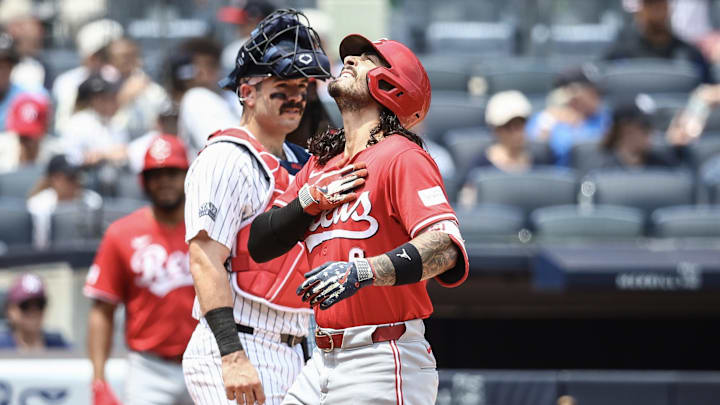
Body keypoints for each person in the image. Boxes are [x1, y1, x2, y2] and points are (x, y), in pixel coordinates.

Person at [248, 34, 469, 404]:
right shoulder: (321, 165)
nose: (349, 60)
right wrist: (305, 203)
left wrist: (364, 271)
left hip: (382, 357)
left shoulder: (402, 156)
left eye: (368, 58)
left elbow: (445, 249)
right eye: (351, 56)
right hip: (320, 360)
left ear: (395, 86)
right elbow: (259, 243)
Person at [182, 10, 331, 405]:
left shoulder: (302, 162)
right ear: (247, 92)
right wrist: (232, 356)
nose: (296, 96)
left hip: (299, 348)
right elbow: (204, 259)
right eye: (282, 85)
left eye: (302, 86)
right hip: (240, 343)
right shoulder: (226, 158)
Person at [84, 135, 194, 405]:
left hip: (205, 360)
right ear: (143, 180)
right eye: (156, 174)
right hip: (148, 367)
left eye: (172, 172)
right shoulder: (121, 234)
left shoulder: (211, 229)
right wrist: (98, 379)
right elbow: (102, 310)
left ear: (188, 175)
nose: (164, 181)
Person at [605, 0, 714, 84]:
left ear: (668, 7)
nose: (655, 11)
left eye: (660, 4)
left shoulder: (689, 53)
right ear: (640, 9)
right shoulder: (621, 50)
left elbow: (708, 87)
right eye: (650, 5)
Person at [458, 90, 535, 208]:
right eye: (509, 127)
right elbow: (467, 204)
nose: (516, 132)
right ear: (496, 129)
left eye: (520, 124)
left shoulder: (540, 159)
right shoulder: (479, 165)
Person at [526, 67, 611, 166]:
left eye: (599, 93)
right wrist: (549, 122)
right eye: (592, 92)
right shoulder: (546, 119)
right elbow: (534, 153)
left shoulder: (605, 118)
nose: (598, 97)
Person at [51, 18, 123, 134]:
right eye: (105, 54)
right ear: (91, 56)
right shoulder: (68, 82)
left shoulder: (131, 78)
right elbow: (63, 127)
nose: (114, 58)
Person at [176, 37, 240, 153]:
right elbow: (221, 148)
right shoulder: (195, 97)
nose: (203, 72)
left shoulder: (233, 98)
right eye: (197, 66)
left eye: (210, 65)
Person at [27, 154, 103, 249]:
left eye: (78, 176)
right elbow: (40, 245)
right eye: (70, 177)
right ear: (54, 179)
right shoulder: (38, 204)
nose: (77, 181)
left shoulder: (92, 201)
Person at [108, 37, 170, 140]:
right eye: (117, 57)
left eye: (128, 56)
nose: (123, 60)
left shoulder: (153, 90)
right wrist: (123, 97)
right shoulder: (97, 85)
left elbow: (163, 121)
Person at [598, 102, 691, 169]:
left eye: (650, 128)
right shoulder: (605, 168)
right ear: (626, 131)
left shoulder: (662, 165)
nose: (650, 134)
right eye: (644, 129)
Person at [61, 73, 128, 166]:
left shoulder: (115, 123)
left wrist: (103, 155)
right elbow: (69, 160)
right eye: (108, 97)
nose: (115, 101)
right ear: (95, 99)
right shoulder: (77, 123)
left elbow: (124, 153)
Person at [0, 272, 69, 350]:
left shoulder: (59, 345)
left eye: (40, 304)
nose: (33, 311)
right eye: (25, 305)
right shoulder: (2, 346)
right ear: (10, 310)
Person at [0, 93, 59, 173]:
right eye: (23, 137)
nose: (27, 143)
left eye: (31, 137)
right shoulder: (2, 148)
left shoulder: (53, 154)